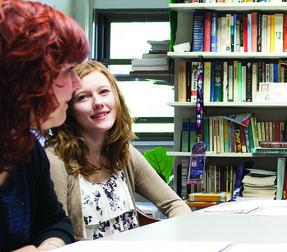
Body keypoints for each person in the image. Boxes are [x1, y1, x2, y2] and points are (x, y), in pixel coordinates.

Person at [45, 61, 191, 240]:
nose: (98, 102)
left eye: (104, 92)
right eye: (83, 97)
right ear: (68, 110)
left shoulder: (124, 152)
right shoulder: (54, 162)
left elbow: (175, 205)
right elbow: (55, 235)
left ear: (116, 97)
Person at [0, 0, 89, 252]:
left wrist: (47, 250)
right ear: (24, 78)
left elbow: (54, 223)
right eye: (67, 71)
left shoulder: (26, 148)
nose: (77, 84)